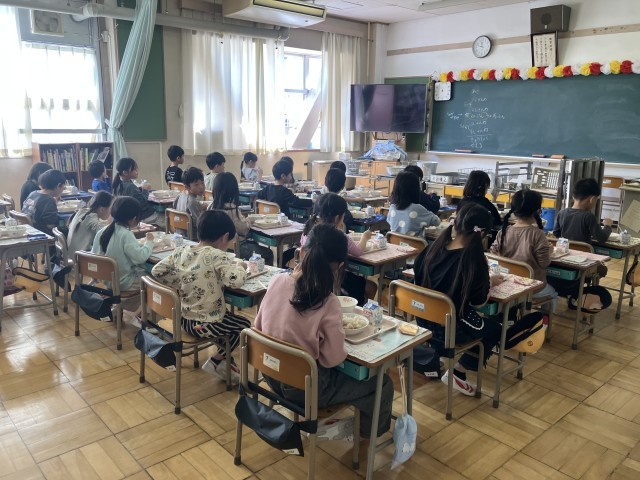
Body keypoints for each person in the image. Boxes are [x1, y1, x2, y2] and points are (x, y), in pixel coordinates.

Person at [255, 223, 394, 439]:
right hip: (304, 389)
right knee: (381, 383)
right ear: (339, 266)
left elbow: (258, 327)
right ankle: (368, 437)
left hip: (270, 373)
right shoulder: (328, 302)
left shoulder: (276, 280)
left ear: (302, 252)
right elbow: (332, 359)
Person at [414, 203, 503, 396]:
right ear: (482, 234)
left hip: (422, 318)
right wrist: (489, 282)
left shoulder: (431, 249)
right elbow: (479, 302)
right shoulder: (474, 261)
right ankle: (458, 371)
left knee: (451, 312)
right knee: (495, 329)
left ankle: (439, 357)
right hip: (451, 328)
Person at [152, 210, 250, 383]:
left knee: (228, 320)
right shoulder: (217, 255)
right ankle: (216, 361)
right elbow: (236, 280)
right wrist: (241, 266)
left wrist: (181, 281)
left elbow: (156, 271)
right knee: (244, 327)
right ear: (225, 237)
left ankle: (225, 362)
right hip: (205, 324)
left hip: (184, 319)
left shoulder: (181, 251)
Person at [302, 193, 374, 305]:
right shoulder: (339, 235)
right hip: (331, 278)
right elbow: (358, 251)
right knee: (371, 286)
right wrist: (364, 237)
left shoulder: (307, 230)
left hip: (308, 275)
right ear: (337, 218)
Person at [490, 189, 557, 309]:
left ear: (514, 210)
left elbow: (493, 255)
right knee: (553, 293)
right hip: (531, 286)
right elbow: (544, 263)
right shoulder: (537, 234)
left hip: (506, 281)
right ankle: (544, 319)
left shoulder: (503, 231)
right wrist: (549, 252)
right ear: (538, 211)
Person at [208, 172, 274, 265]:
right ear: (233, 191)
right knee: (268, 253)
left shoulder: (211, 206)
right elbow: (243, 229)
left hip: (217, 246)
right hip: (237, 247)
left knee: (254, 244)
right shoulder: (231, 209)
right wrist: (249, 220)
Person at [92, 196, 154, 293]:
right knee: (154, 279)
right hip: (123, 282)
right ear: (134, 219)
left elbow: (94, 254)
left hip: (105, 279)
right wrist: (149, 242)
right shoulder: (126, 234)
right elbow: (140, 258)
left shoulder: (102, 231)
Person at [553, 178, 613, 244]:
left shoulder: (562, 213)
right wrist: (607, 225)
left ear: (573, 197)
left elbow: (556, 233)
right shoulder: (588, 217)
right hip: (584, 250)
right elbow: (602, 238)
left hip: (566, 249)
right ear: (592, 199)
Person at [112, 157, 159, 225]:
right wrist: (145, 189)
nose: (136, 171)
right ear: (125, 172)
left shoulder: (118, 184)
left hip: (129, 217)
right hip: (142, 217)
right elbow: (142, 202)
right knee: (164, 216)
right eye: (134, 169)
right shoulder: (130, 186)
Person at [67, 191, 113, 257]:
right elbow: (107, 235)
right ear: (102, 209)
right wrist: (111, 220)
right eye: (111, 209)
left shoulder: (83, 211)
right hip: (80, 258)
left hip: (73, 254)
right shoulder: (91, 219)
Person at [22, 169, 66, 236]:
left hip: (29, 230)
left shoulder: (33, 193)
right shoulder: (48, 200)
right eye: (63, 186)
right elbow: (51, 225)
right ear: (58, 186)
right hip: (43, 234)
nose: (64, 188)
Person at [173, 166, 205, 239]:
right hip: (191, 237)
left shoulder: (180, 195)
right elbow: (199, 224)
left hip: (178, 233)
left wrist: (200, 207)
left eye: (202, 183)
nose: (201, 187)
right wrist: (203, 211)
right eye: (196, 184)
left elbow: (174, 206)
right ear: (187, 187)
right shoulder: (192, 202)